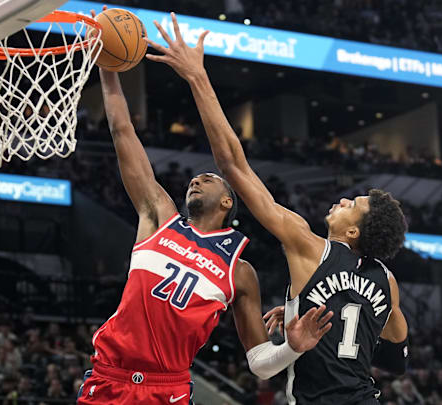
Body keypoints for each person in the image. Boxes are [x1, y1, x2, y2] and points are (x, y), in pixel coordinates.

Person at [146, 13, 410, 405]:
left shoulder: (309, 247)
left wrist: (197, 78)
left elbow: (233, 165)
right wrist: (298, 305)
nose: (342, 200)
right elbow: (397, 356)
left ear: (354, 232)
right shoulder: (387, 281)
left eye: (352, 205)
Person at [77, 9, 333, 405]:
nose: (196, 179)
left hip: (169, 389)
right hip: (110, 376)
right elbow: (122, 132)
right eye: (195, 179)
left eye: (208, 178)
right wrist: (108, 69)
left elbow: (261, 362)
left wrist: (292, 347)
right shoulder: (158, 215)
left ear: (228, 201)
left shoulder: (240, 271)